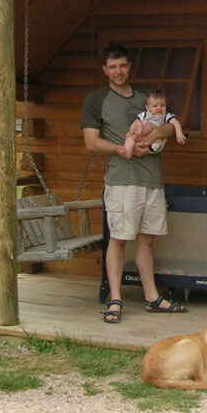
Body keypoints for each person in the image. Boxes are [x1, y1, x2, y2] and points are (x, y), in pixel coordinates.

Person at [81, 44, 187, 324]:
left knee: (147, 240)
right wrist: (121, 149)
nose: (118, 71)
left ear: (130, 67)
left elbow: (169, 123)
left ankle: (152, 297)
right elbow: (91, 142)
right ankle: (115, 299)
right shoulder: (96, 99)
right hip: (122, 181)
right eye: (113, 67)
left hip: (152, 180)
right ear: (105, 70)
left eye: (123, 66)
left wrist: (151, 138)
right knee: (117, 239)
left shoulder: (145, 98)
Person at [118, 89, 186, 159]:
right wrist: (132, 130)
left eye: (162, 105)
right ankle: (127, 151)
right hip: (139, 137)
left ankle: (143, 138)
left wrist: (179, 133)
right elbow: (135, 122)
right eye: (155, 106)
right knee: (131, 136)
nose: (159, 108)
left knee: (149, 125)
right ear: (148, 108)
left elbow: (176, 122)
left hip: (155, 143)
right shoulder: (144, 114)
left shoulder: (165, 116)